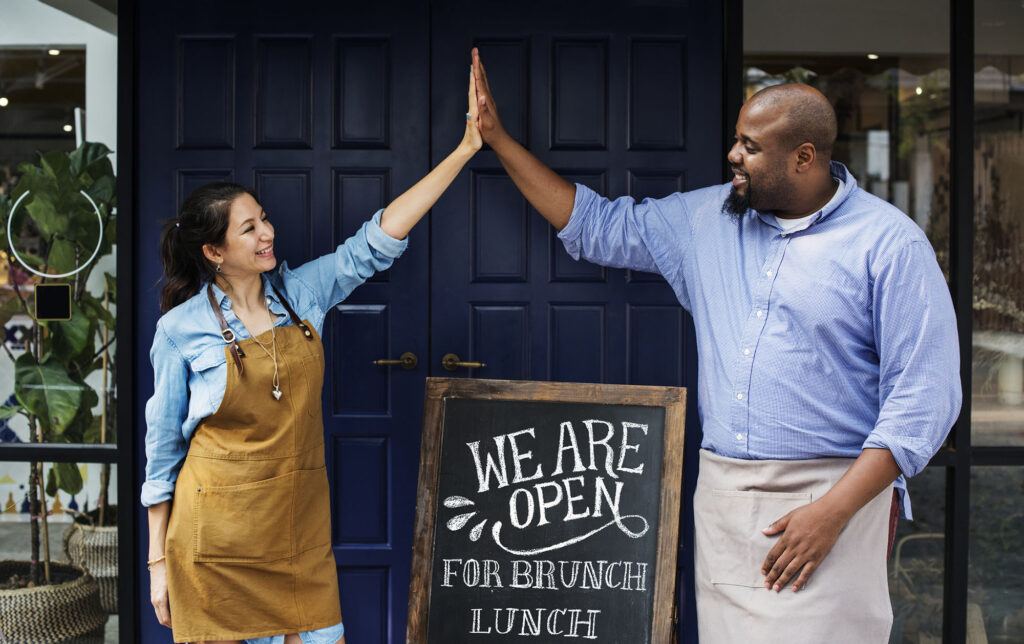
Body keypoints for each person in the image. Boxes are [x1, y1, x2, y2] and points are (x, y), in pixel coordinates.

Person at [470, 47, 961, 642]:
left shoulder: (889, 245)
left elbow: (924, 402)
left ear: (804, 158)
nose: (733, 153)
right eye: (737, 139)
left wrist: (832, 513)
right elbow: (596, 226)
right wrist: (496, 139)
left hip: (835, 499)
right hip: (725, 498)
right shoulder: (706, 220)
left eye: (751, 146)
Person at [142, 70, 482, 644]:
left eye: (264, 219)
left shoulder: (301, 295)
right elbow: (162, 456)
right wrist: (157, 566)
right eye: (248, 229)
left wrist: (466, 150)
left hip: (298, 533)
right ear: (214, 252)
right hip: (214, 548)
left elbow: (375, 243)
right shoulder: (179, 331)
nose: (266, 233)